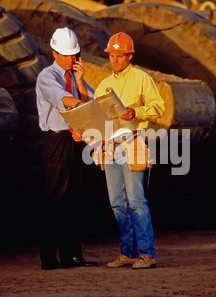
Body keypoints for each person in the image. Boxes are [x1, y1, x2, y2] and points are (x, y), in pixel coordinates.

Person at [94, 32, 165, 269]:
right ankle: (127, 253)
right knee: (117, 202)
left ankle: (147, 254)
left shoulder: (142, 78)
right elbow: (96, 117)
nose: (114, 60)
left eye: (119, 56)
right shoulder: (104, 85)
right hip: (110, 146)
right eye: (112, 55)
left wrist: (136, 112)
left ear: (129, 55)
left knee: (136, 201)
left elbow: (159, 107)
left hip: (133, 142)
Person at [35, 27, 97, 270]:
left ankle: (72, 255)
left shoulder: (75, 76)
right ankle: (49, 259)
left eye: (75, 54)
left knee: (73, 197)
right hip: (57, 139)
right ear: (54, 53)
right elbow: (65, 100)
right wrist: (84, 105)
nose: (72, 59)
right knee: (54, 197)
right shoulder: (47, 77)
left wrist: (80, 81)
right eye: (67, 55)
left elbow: (88, 99)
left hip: (76, 139)